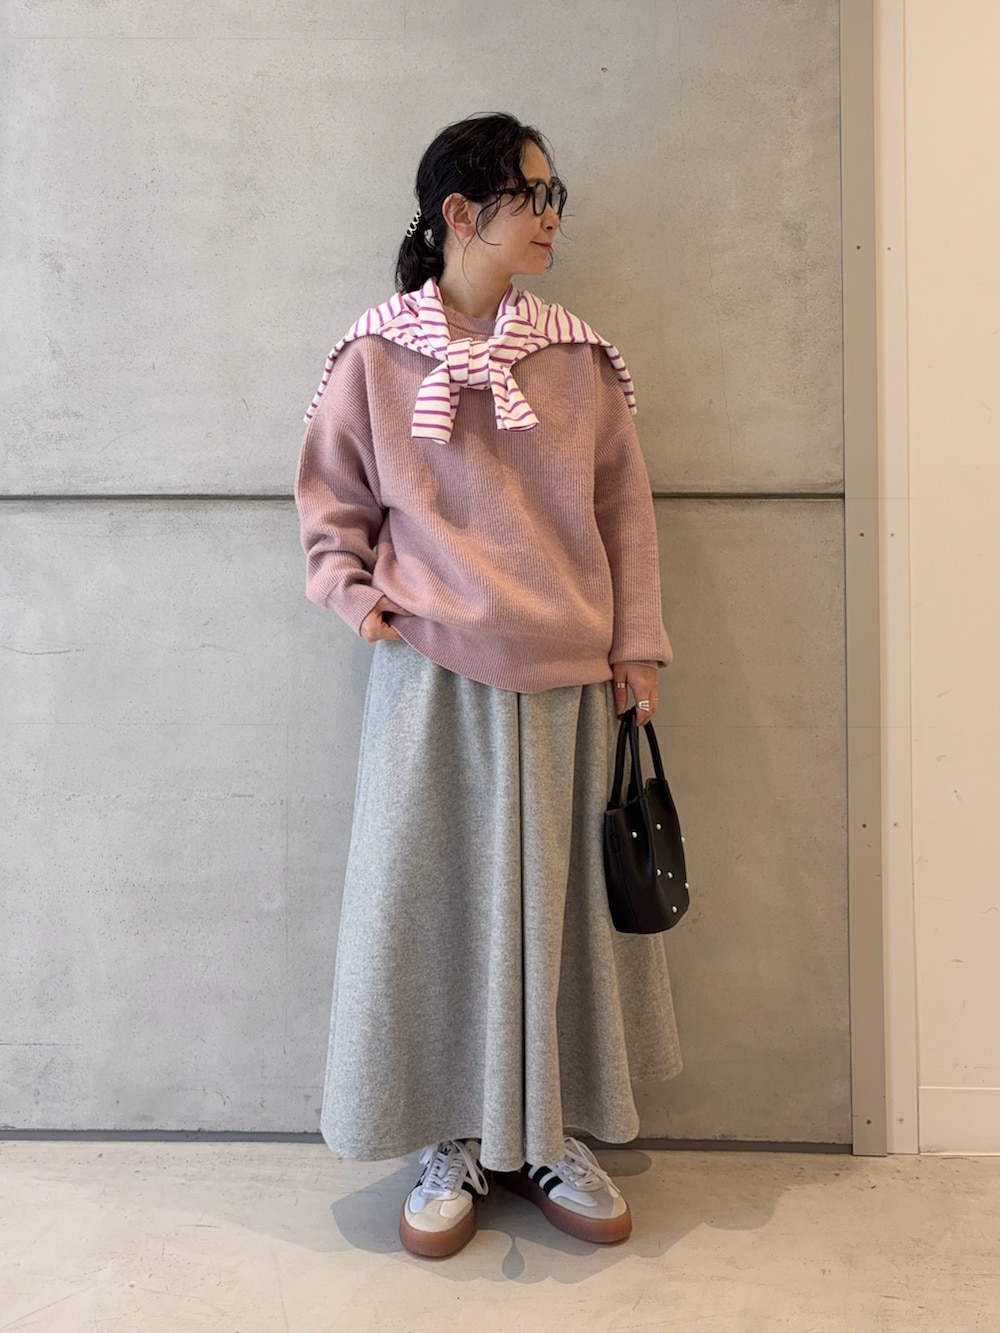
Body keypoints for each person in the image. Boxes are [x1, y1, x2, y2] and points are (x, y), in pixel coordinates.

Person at [294, 112, 682, 1260]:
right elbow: (330, 498)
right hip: (429, 678)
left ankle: (550, 1131)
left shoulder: (580, 357)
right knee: (433, 914)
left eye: (556, 194)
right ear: (461, 213)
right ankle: (450, 1138)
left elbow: (623, 509)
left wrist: (637, 646)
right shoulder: (374, 355)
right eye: (534, 193)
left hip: (566, 679)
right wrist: (356, 598)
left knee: (557, 915)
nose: (554, 214)